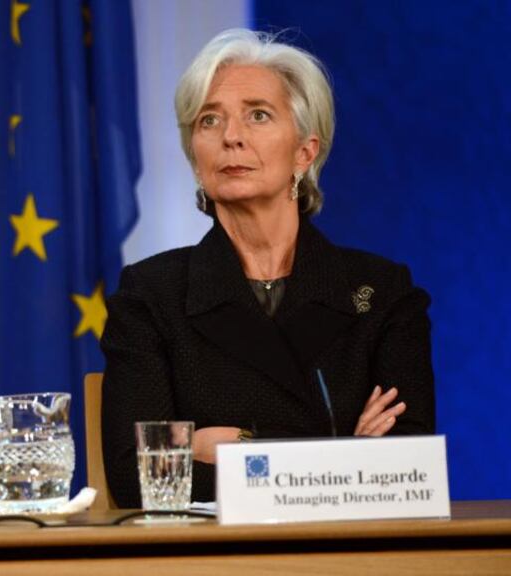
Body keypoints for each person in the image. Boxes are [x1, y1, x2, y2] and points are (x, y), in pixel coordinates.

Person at [100, 29, 435, 506]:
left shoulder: (382, 292)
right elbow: (135, 478)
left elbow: (407, 469)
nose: (231, 137)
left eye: (258, 115)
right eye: (209, 120)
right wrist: (345, 459)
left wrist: (238, 447)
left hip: (346, 546)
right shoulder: (149, 295)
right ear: (195, 158)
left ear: (305, 152)